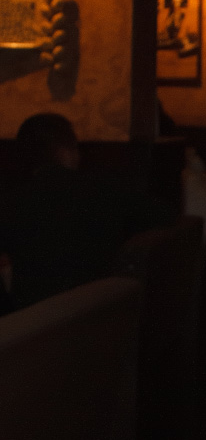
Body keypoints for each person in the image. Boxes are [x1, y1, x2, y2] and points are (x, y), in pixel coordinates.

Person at [0, 112, 171, 310]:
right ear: (67, 150)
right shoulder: (104, 190)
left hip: (35, 318)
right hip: (102, 309)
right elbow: (164, 215)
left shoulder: (14, 201)